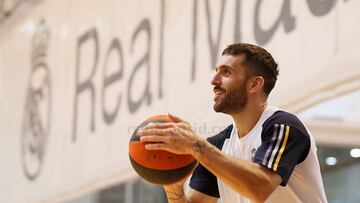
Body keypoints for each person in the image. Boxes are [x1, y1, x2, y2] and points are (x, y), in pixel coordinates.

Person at [139, 43, 328, 203]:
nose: (214, 81)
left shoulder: (283, 127)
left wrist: (195, 145)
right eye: (216, 72)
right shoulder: (216, 147)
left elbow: (260, 188)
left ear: (254, 84)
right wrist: (174, 188)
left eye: (226, 72)